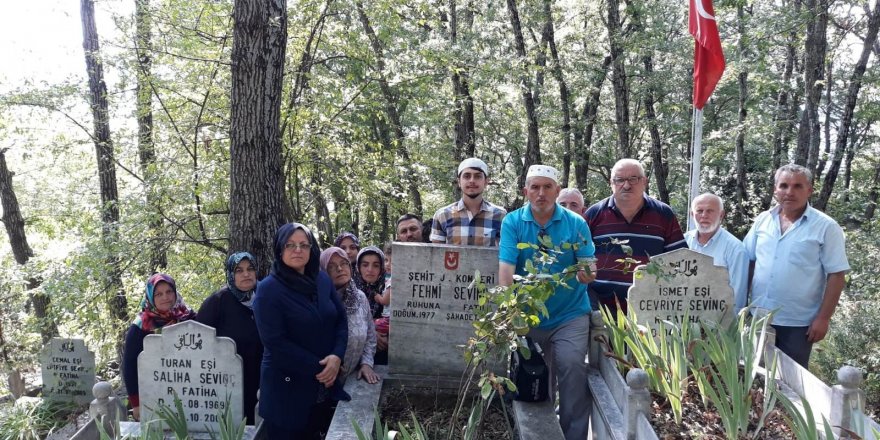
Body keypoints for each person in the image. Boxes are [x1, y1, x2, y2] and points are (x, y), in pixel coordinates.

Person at [498, 164, 597, 440]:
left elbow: (589, 268)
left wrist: (585, 272)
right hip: (528, 316)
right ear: (526, 191)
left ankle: (574, 435)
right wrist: (510, 314)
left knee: (572, 368)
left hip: (570, 314)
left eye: (547, 187)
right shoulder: (513, 222)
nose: (541, 193)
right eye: (535, 187)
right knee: (533, 379)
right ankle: (537, 434)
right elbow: (506, 271)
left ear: (557, 190)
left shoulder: (576, 224)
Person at [743, 164, 849, 368]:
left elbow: (836, 274)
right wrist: (741, 304)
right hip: (759, 316)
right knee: (754, 378)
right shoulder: (763, 220)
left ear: (809, 190)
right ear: (775, 190)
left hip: (798, 323)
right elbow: (749, 261)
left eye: (797, 186)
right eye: (783, 185)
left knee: (792, 386)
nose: (789, 192)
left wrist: (824, 318)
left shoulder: (826, 227)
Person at [253, 223, 349, 439]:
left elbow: (340, 320)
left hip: (322, 389)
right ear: (280, 249)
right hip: (286, 395)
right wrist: (324, 370)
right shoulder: (268, 290)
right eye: (291, 245)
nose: (298, 250)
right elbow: (276, 343)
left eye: (304, 245)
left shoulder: (322, 279)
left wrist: (336, 356)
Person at [585, 158, 687, 315]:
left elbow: (679, 259)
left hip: (651, 308)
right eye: (620, 180)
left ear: (644, 181)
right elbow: (580, 260)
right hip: (602, 310)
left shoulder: (663, 214)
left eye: (633, 179)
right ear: (611, 183)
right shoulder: (594, 214)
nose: (626, 185)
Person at [196, 252, 263, 424]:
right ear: (231, 275)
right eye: (239, 270)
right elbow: (199, 344)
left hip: (263, 379)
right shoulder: (217, 302)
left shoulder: (265, 297)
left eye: (250, 269)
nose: (246, 274)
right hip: (229, 384)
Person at [122, 273, 196, 421]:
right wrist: (136, 404)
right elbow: (129, 366)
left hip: (190, 391)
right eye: (159, 294)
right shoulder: (140, 327)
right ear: (151, 297)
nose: (165, 297)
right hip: (154, 393)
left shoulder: (189, 318)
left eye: (169, 292)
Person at [319, 247, 379, 384]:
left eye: (344, 263)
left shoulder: (360, 297)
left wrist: (366, 363)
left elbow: (370, 335)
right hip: (324, 380)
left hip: (353, 378)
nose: (339, 269)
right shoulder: (319, 301)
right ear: (323, 271)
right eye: (332, 266)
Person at [684, 194, 749, 313]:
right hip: (684, 319)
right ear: (692, 214)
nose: (704, 215)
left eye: (710, 211)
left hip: (718, 322)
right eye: (699, 211)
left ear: (721, 215)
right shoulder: (683, 242)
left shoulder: (736, 249)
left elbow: (737, 295)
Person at [430, 157, 507, 246]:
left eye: (478, 176)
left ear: (486, 182)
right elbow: (437, 255)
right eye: (467, 176)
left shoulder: (501, 215)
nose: (472, 180)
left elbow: (506, 253)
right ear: (459, 181)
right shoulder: (442, 215)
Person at [353, 246, 389, 365]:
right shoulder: (351, 291)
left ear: (382, 268)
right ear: (358, 267)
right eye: (365, 265)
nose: (370, 269)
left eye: (376, 265)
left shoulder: (389, 289)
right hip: (358, 355)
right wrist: (373, 335)